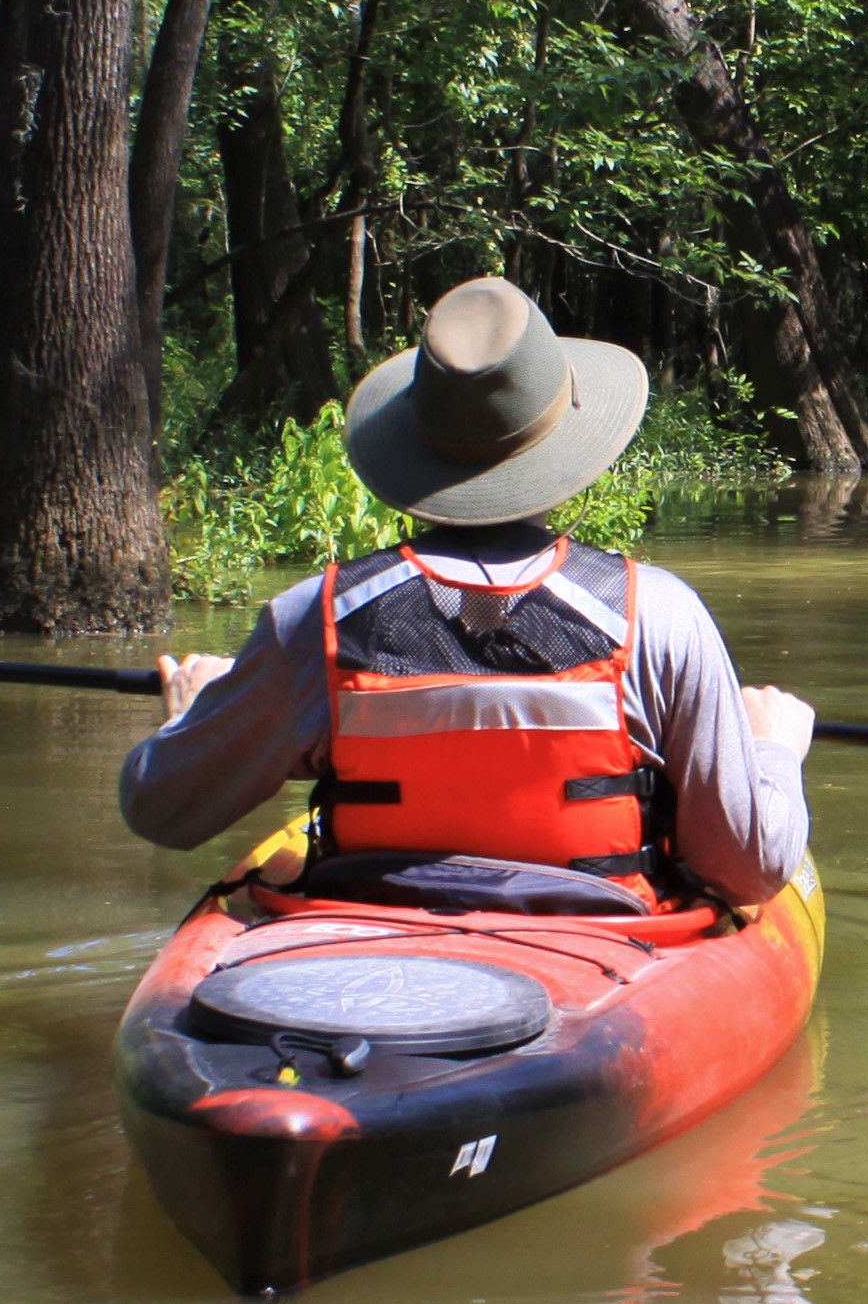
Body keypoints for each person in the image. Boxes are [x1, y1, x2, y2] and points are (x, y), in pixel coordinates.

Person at [121, 277, 811, 916]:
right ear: (564, 452)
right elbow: (746, 870)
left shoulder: (314, 620)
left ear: (415, 445)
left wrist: (191, 720)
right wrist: (771, 750)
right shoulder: (659, 616)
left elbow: (161, 808)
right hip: (600, 951)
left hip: (361, 946)